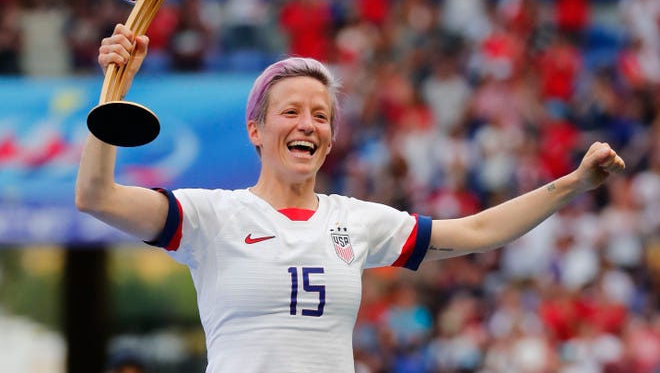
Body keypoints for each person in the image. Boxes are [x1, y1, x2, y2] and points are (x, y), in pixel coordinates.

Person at [76, 23, 626, 373]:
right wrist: (114, 90)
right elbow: (97, 196)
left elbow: (475, 233)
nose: (307, 124)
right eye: (290, 111)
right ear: (255, 130)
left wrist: (571, 185)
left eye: (321, 116)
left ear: (332, 140)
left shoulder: (355, 221)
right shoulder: (210, 216)